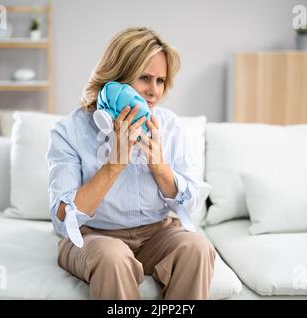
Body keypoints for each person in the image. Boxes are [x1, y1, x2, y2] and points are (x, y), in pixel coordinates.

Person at [46, 26, 215, 300]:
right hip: (93, 237)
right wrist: (114, 164)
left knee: (198, 248)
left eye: (160, 81)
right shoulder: (69, 131)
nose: (153, 92)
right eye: (144, 78)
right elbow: (64, 219)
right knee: (113, 258)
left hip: (156, 234)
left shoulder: (169, 126)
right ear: (114, 81)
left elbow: (190, 206)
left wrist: (160, 169)